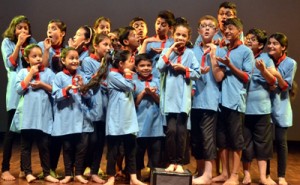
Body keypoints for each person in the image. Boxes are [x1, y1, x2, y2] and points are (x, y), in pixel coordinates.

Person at [210, 18, 255, 185]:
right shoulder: (222, 50)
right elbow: (219, 75)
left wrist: (230, 65)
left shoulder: (245, 51)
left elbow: (246, 76)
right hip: (220, 101)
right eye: (225, 29)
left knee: (236, 140)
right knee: (222, 140)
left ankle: (234, 176)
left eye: (231, 28)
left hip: (235, 101)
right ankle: (225, 173)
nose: (227, 31)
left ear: (239, 31)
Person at [157, 20, 201, 173]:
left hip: (183, 101)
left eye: (184, 35)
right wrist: (169, 50)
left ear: (188, 38)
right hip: (169, 100)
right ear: (172, 35)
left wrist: (184, 69)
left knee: (182, 132)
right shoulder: (167, 52)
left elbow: (197, 73)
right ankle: (171, 161)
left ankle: (180, 162)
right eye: (178, 35)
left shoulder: (190, 54)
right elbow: (159, 67)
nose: (180, 38)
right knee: (170, 131)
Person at [10, 44, 58, 183]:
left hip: (43, 116)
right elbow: (19, 89)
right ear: (26, 58)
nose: (38, 59)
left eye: (39, 55)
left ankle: (46, 172)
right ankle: (28, 172)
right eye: (34, 56)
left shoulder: (48, 73)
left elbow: (54, 89)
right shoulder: (23, 73)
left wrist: (42, 84)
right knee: (26, 146)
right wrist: (31, 74)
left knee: (44, 145)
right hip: (28, 117)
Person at [191, 15, 226, 185]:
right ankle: (199, 170)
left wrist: (213, 55)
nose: (206, 28)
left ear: (216, 30)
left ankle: (208, 173)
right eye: (203, 26)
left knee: (207, 137)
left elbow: (219, 77)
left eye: (210, 26)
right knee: (196, 138)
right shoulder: (192, 51)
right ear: (198, 31)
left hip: (210, 100)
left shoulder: (220, 51)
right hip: (193, 101)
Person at [1, 15, 36, 181]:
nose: (23, 31)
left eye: (25, 28)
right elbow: (11, 64)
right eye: (19, 28)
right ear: (13, 29)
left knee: (26, 131)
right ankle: (5, 168)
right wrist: (18, 45)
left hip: (29, 90)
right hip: (15, 91)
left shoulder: (33, 42)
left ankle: (24, 168)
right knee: (10, 132)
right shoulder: (7, 42)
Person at [52, 47, 94, 184]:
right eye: (72, 58)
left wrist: (83, 87)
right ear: (63, 60)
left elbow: (90, 97)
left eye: (77, 58)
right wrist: (67, 89)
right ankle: (68, 174)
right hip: (67, 118)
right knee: (68, 148)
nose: (75, 60)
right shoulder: (59, 77)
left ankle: (79, 173)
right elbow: (55, 95)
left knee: (82, 148)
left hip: (82, 119)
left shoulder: (82, 76)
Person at [104, 50, 146, 185]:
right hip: (116, 119)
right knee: (113, 150)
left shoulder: (124, 75)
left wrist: (129, 78)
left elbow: (133, 87)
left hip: (128, 118)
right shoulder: (113, 75)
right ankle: (111, 177)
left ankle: (133, 178)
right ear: (121, 63)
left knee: (131, 149)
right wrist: (128, 75)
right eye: (130, 61)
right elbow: (129, 87)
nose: (133, 63)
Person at [241, 28, 277, 185]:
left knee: (263, 144)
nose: (248, 41)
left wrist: (263, 70)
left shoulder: (266, 59)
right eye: (247, 38)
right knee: (245, 144)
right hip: (243, 108)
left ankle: (263, 176)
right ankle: (247, 175)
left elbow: (273, 82)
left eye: (252, 39)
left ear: (260, 45)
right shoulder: (243, 54)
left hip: (262, 109)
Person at [267, 33, 297, 185]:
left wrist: (277, 77)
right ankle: (265, 175)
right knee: (265, 143)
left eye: (275, 43)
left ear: (283, 47)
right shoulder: (266, 60)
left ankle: (281, 176)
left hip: (281, 106)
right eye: (270, 43)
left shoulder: (290, 63)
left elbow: (286, 86)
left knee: (281, 142)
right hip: (265, 106)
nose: (271, 46)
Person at [81, 33, 111, 183]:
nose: (108, 48)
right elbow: (89, 83)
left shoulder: (109, 63)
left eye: (109, 45)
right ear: (96, 45)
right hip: (92, 106)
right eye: (105, 44)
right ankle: (81, 169)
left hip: (105, 107)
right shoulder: (87, 61)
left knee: (100, 142)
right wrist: (104, 66)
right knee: (90, 141)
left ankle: (94, 171)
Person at [133, 54, 164, 181]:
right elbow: (133, 104)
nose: (145, 68)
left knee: (155, 152)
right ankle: (137, 176)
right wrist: (143, 93)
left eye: (148, 65)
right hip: (139, 124)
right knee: (137, 153)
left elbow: (161, 101)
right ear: (136, 68)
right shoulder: (133, 82)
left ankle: (153, 176)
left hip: (156, 124)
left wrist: (152, 94)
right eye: (142, 66)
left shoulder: (157, 81)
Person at [139, 10, 175, 78]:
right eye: (158, 23)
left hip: (168, 78)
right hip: (152, 79)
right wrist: (145, 42)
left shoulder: (172, 43)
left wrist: (165, 51)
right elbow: (139, 60)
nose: (159, 27)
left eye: (163, 25)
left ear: (170, 28)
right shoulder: (149, 42)